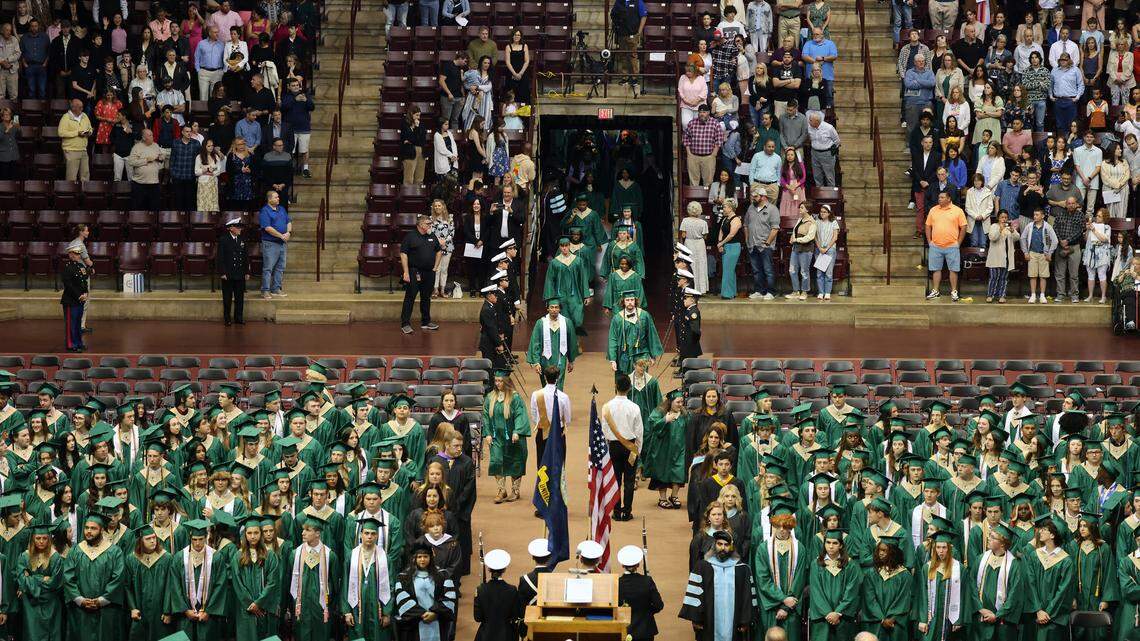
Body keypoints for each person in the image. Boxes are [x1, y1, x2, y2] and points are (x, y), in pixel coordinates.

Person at [679, 530, 755, 641]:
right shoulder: (702, 567)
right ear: (714, 545)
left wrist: (745, 620)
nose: (723, 548)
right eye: (719, 544)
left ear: (732, 547)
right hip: (708, 622)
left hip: (735, 624)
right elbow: (695, 596)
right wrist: (695, 619)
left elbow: (747, 597)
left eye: (726, 545)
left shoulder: (742, 569)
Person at [62, 511, 125, 641]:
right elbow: (68, 577)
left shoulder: (114, 552)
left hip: (106, 610)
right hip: (80, 610)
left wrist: (101, 600)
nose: (89, 531)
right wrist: (80, 600)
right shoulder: (76, 550)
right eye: (86, 528)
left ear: (102, 530)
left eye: (93, 528)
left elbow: (117, 579)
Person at [483, 370, 530, 503]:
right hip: (497, 437)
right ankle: (501, 490)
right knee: (497, 461)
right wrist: (487, 434)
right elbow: (486, 417)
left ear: (506, 381)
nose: (498, 383)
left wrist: (517, 431)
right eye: (496, 381)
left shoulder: (515, 398)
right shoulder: (490, 397)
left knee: (515, 462)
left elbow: (520, 415)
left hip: (513, 437)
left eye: (500, 381)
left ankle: (515, 490)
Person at [602, 374, 644, 522]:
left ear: (615, 387)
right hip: (630, 446)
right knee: (630, 480)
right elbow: (639, 431)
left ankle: (617, 511)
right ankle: (627, 512)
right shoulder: (635, 407)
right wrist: (637, 449)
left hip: (613, 446)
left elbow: (604, 430)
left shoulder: (606, 407)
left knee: (616, 480)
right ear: (629, 388)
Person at [399, 215, 443, 335]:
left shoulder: (432, 236)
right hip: (414, 272)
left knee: (426, 297)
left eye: (430, 223)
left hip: (429, 272)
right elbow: (403, 254)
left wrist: (435, 267)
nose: (430, 225)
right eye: (428, 223)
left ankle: (426, 322)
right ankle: (405, 324)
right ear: (421, 225)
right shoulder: (410, 237)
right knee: (410, 297)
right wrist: (406, 272)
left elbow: (439, 251)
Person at [526, 300, 578, 391]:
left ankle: (557, 403)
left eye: (556, 307)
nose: (554, 309)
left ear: (560, 309)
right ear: (547, 309)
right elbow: (535, 343)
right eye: (552, 307)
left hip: (560, 358)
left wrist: (571, 360)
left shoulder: (566, 322)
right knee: (546, 384)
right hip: (545, 359)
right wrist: (536, 362)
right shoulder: (541, 323)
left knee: (559, 383)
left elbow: (571, 342)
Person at [607, 293, 663, 378]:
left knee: (641, 380)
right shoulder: (617, 318)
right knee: (626, 382)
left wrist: (652, 356)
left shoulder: (644, 315)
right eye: (627, 300)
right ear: (623, 302)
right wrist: (613, 360)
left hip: (642, 353)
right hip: (624, 355)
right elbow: (613, 339)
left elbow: (651, 335)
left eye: (632, 300)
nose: (630, 302)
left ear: (635, 301)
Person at [924, 190, 966, 301]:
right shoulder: (933, 210)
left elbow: (964, 227)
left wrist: (958, 242)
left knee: (953, 270)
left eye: (942, 197)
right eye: (939, 197)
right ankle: (936, 291)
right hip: (936, 246)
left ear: (949, 199)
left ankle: (953, 291)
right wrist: (929, 241)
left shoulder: (958, 211)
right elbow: (927, 226)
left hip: (952, 246)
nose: (939, 199)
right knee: (935, 269)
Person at [614, 545, 661, 641]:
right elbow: (659, 605)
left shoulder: (616, 583)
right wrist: (646, 612)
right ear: (638, 565)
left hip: (623, 629)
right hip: (645, 630)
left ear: (622, 565)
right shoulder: (647, 581)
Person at [216, 216, 248, 326]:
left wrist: (247, 272)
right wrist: (222, 272)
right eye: (238, 227)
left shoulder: (242, 239)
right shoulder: (224, 240)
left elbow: (245, 257)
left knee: (239, 298)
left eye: (240, 227)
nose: (240, 229)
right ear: (231, 228)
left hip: (239, 273)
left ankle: (238, 317)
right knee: (227, 298)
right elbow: (220, 257)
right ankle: (227, 318)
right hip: (228, 274)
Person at [258, 190, 290, 300]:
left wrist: (288, 233)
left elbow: (288, 222)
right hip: (270, 243)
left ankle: (276, 289)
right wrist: (281, 236)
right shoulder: (265, 211)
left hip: (282, 243)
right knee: (268, 268)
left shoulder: (282, 209)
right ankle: (265, 290)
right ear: (269, 199)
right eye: (276, 197)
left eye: (278, 197)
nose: (278, 199)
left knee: (280, 267)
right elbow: (267, 227)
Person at [684, 104, 726, 187]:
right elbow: (686, 138)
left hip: (709, 157)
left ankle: (708, 200)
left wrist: (714, 154)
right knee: (693, 182)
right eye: (700, 112)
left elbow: (719, 139)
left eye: (704, 112)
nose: (701, 114)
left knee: (708, 182)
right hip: (693, 156)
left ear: (709, 113)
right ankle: (694, 200)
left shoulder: (715, 123)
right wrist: (689, 153)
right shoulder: (692, 123)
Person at [61, 241, 89, 353]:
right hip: (71, 300)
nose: (78, 256)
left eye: (79, 254)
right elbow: (69, 285)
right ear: (70, 254)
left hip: (80, 300)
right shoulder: (67, 268)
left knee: (78, 322)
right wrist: (79, 295)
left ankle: (79, 342)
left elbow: (84, 281)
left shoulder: (81, 266)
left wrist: (86, 293)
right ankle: (71, 344)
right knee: (71, 324)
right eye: (76, 254)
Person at [59, 98, 93, 181]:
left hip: (83, 150)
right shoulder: (66, 117)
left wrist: (89, 132)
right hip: (71, 150)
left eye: (82, 107)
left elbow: (90, 128)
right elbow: (61, 133)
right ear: (73, 108)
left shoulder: (84, 116)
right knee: (71, 177)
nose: (82, 109)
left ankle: (85, 192)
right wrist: (77, 133)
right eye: (80, 107)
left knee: (85, 175)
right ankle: (70, 193)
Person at [807, 111, 840, 186]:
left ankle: (831, 195)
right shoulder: (809, 127)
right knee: (817, 176)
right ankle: (820, 194)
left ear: (817, 122)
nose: (809, 122)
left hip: (827, 154)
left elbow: (837, 141)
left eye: (810, 120)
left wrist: (832, 152)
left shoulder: (829, 128)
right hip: (814, 153)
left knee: (829, 176)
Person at [676, 288, 703, 360]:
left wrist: (693, 343)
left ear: (692, 300)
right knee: (685, 364)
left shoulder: (693, 312)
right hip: (686, 343)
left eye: (686, 298)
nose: (684, 300)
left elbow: (696, 331)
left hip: (690, 344)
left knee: (690, 366)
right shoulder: (688, 310)